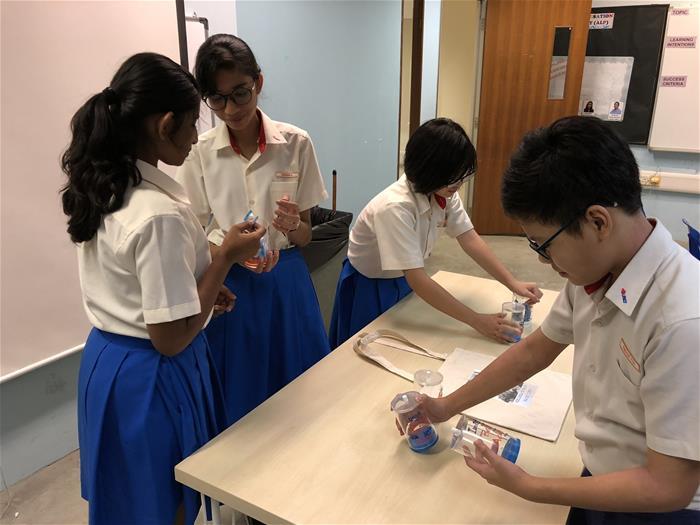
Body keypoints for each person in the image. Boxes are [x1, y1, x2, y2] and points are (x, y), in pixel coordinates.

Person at [416, 116, 700, 523]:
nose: (542, 261)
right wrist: (446, 406)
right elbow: (534, 352)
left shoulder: (683, 321)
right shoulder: (596, 273)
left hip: (656, 506)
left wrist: (530, 487)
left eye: (544, 245)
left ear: (598, 221)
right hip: (602, 474)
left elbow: (669, 485)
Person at [61, 52, 265, 525]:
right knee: (160, 499)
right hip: (152, 373)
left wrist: (204, 288)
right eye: (193, 123)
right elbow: (169, 338)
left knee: (127, 497)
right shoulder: (160, 214)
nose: (197, 137)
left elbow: (135, 285)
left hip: (108, 361)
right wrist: (224, 258)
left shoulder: (105, 187)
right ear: (166, 124)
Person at [176, 34, 330, 425]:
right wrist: (226, 252)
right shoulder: (198, 152)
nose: (230, 109)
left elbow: (307, 235)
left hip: (287, 280)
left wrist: (295, 226)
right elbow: (195, 238)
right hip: (229, 287)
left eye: (240, 93)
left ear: (258, 83)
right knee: (239, 403)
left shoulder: (295, 143)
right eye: (217, 99)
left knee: (301, 394)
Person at [329, 118, 542, 348]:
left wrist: (512, 282)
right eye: (453, 175)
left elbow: (469, 238)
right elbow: (419, 280)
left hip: (402, 278)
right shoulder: (394, 207)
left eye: (463, 175)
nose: (459, 183)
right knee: (368, 348)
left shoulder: (442, 191)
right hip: (369, 284)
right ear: (427, 169)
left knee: (406, 339)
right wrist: (478, 321)